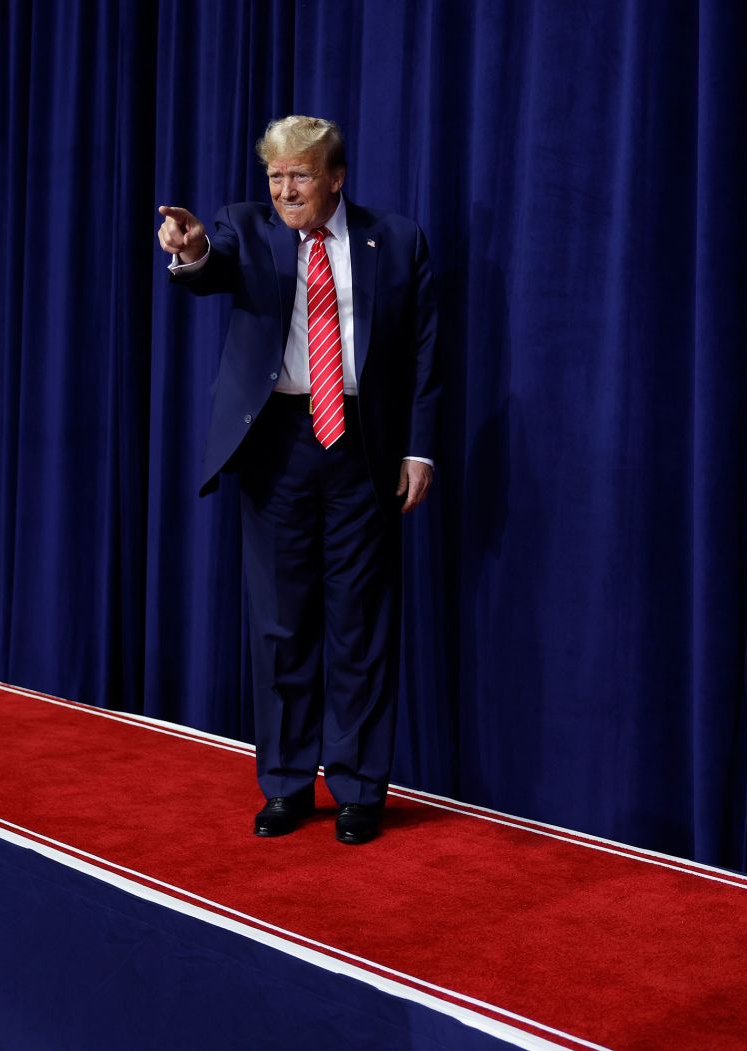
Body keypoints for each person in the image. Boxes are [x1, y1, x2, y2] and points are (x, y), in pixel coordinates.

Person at [157, 115, 438, 845]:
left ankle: (357, 789)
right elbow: (210, 264)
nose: (284, 189)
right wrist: (190, 252)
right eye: (276, 176)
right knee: (280, 624)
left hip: (362, 447)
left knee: (359, 625)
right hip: (277, 445)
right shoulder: (245, 229)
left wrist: (421, 450)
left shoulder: (397, 240)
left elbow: (424, 356)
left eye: (300, 176)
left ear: (336, 178)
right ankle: (285, 783)